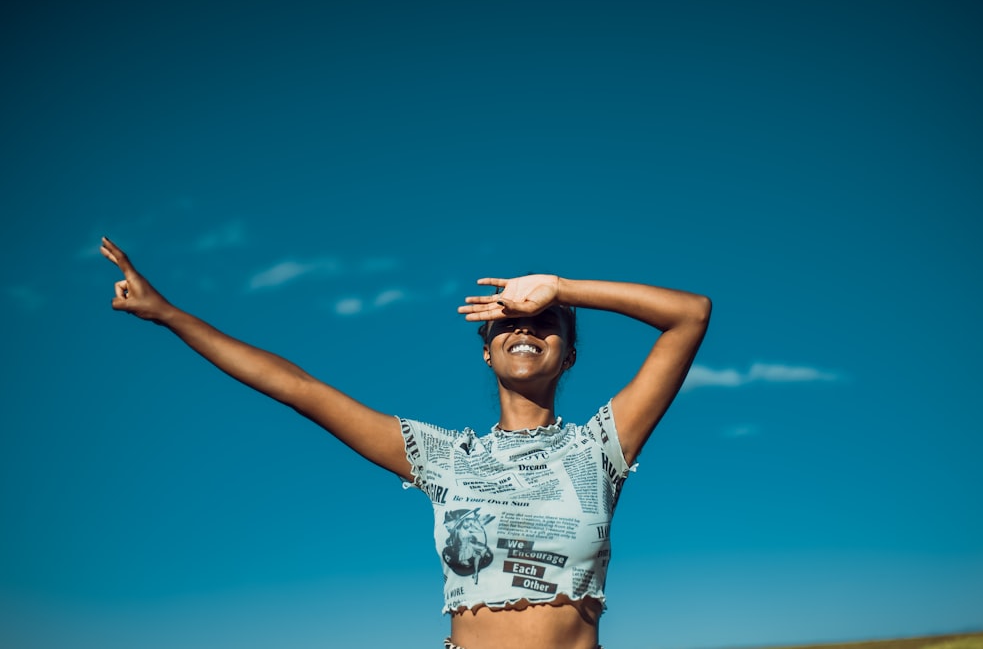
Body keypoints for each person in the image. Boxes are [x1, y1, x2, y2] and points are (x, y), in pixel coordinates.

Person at [100, 236, 711, 649]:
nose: (526, 329)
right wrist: (169, 314)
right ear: (486, 348)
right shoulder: (444, 457)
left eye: (544, 323)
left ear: (569, 353)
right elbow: (298, 388)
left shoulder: (600, 448)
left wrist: (559, 288)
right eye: (508, 323)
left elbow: (689, 314)